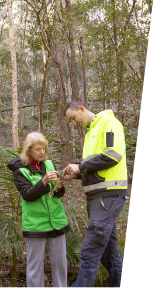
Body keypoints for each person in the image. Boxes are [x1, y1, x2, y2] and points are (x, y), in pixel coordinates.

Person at [63, 101, 128, 287]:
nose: (74, 123)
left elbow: (113, 155)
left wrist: (80, 167)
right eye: (71, 121)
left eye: (73, 118)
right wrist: (76, 174)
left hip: (108, 197)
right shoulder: (91, 132)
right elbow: (96, 170)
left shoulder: (108, 122)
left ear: (81, 108)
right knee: (110, 253)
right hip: (97, 198)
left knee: (90, 252)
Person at [8, 132, 70, 287]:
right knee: (35, 267)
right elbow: (28, 195)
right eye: (38, 149)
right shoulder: (19, 171)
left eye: (43, 148)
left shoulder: (49, 164)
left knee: (60, 264)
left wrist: (59, 187)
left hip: (57, 221)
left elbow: (57, 195)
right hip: (36, 224)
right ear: (29, 151)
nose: (42, 152)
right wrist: (42, 182)